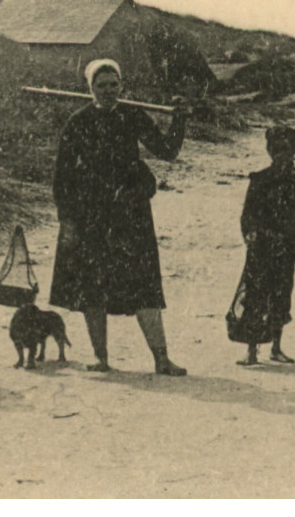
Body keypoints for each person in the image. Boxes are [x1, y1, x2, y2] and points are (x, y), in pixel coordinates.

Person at [49, 58, 189, 375]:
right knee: (93, 287)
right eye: (102, 86)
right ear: (90, 89)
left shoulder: (132, 116)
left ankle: (162, 359)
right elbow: (63, 177)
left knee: (144, 283)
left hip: (130, 210)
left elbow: (167, 151)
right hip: (92, 214)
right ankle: (101, 358)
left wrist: (179, 122)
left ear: (121, 86)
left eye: (114, 85)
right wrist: (67, 220)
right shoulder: (78, 122)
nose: (109, 91)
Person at [228, 125, 295, 366]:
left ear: (294, 151)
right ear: (270, 151)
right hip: (261, 247)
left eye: (286, 150)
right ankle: (251, 350)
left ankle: (276, 348)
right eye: (276, 150)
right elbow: (247, 214)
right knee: (254, 296)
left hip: (288, 248)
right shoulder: (260, 179)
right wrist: (249, 235)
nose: (281, 155)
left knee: (281, 296)